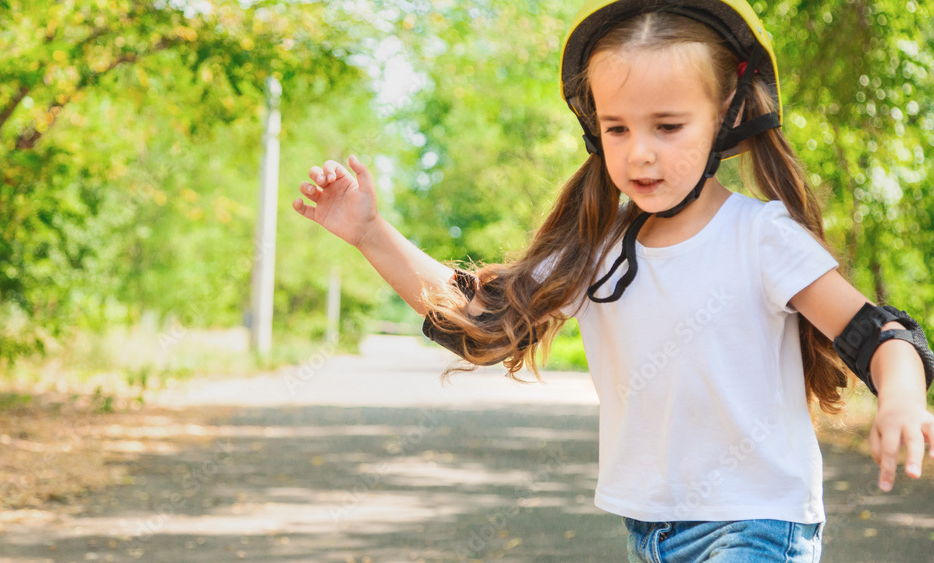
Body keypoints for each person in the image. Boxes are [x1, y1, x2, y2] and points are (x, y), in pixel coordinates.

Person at [291, 0, 934, 560]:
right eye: (617, 128)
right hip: (649, 527)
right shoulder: (596, 251)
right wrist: (371, 232)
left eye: (668, 126)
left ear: (728, 110)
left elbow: (877, 333)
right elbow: (479, 319)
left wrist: (900, 395)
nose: (640, 152)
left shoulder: (761, 238)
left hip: (757, 522)